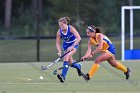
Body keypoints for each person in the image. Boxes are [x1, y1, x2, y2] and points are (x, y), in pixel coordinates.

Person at [56, 17, 82, 83]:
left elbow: (79, 38)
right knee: (70, 63)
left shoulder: (71, 28)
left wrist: (72, 46)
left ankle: (63, 76)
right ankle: (78, 66)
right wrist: (59, 51)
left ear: (66, 24)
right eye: (60, 25)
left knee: (66, 57)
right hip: (66, 46)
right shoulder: (59, 32)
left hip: (74, 44)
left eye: (62, 25)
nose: (61, 27)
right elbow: (57, 43)